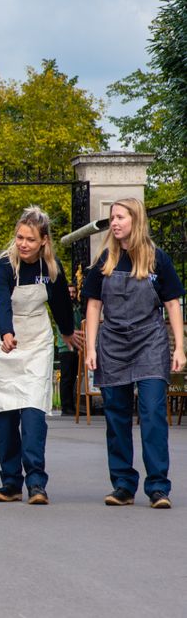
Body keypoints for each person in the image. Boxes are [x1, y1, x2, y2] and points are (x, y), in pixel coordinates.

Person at [83, 197, 185, 509]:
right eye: (112, 218)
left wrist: (180, 346)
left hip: (150, 343)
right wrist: (90, 348)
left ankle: (157, 487)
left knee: (153, 413)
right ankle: (123, 485)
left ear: (135, 221)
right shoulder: (104, 262)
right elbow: (93, 306)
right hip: (113, 345)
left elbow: (172, 303)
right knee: (116, 417)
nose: (114, 223)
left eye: (120, 218)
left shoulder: (158, 259)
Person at [0, 207, 78, 505]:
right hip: (5, 340)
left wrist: (67, 332)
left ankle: (37, 482)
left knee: (34, 410)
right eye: (19, 237)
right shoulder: (4, 265)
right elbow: (4, 303)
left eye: (29, 239)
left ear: (44, 242)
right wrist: (8, 333)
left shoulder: (52, 269)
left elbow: (61, 303)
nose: (23, 244)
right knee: (6, 413)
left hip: (37, 340)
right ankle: (10, 483)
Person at [55, 284, 83, 417]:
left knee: (73, 378)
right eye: (69, 292)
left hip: (76, 346)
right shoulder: (62, 307)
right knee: (66, 378)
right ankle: (66, 407)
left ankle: (72, 406)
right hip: (65, 347)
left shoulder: (77, 308)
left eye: (73, 292)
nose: (71, 294)